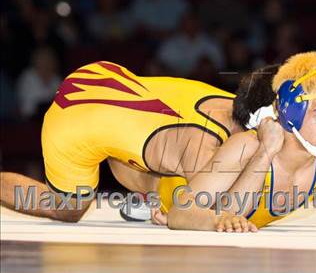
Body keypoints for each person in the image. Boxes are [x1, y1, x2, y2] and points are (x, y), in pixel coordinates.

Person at [1, 60, 275, 231]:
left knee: (161, 159)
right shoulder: (200, 146)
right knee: (67, 209)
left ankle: (149, 193)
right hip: (73, 119)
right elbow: (221, 212)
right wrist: (169, 211)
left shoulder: (241, 100)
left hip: (102, 77)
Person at [163, 52, 316, 233]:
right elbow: (178, 213)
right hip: (163, 181)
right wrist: (216, 221)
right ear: (291, 112)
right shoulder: (247, 146)